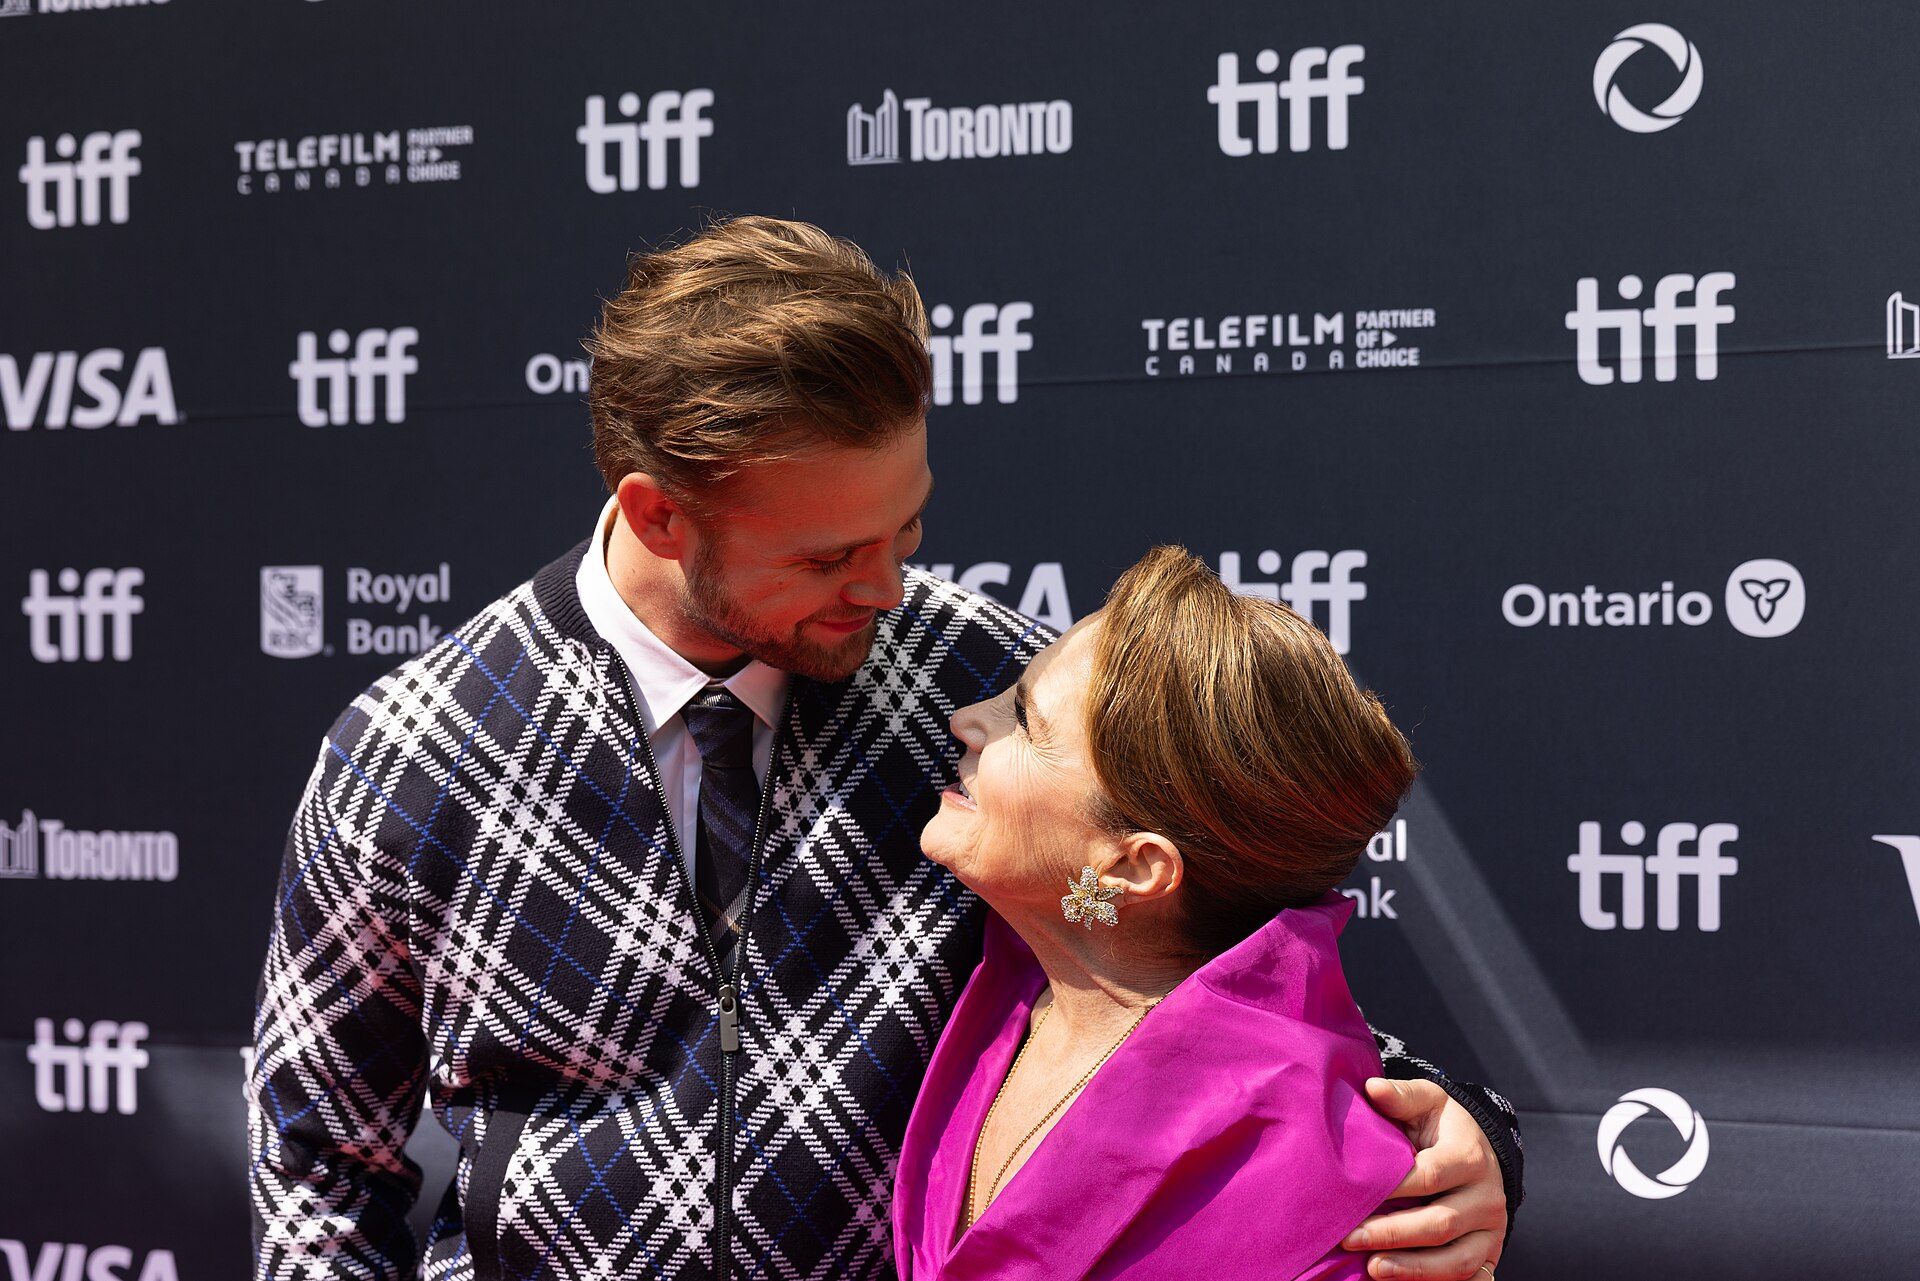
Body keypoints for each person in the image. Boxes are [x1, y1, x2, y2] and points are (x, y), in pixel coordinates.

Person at [246, 217, 1519, 1281]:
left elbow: (1208, 975)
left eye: (905, 527)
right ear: (658, 514)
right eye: (826, 557)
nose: (890, 590)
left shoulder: (986, 687)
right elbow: (316, 1167)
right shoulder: (411, 756)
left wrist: (1454, 1139)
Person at [895, 546, 1485, 1280]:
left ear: (1133, 866)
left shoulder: (1331, 1196)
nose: (961, 719)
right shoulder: (1007, 982)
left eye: (1024, 719)